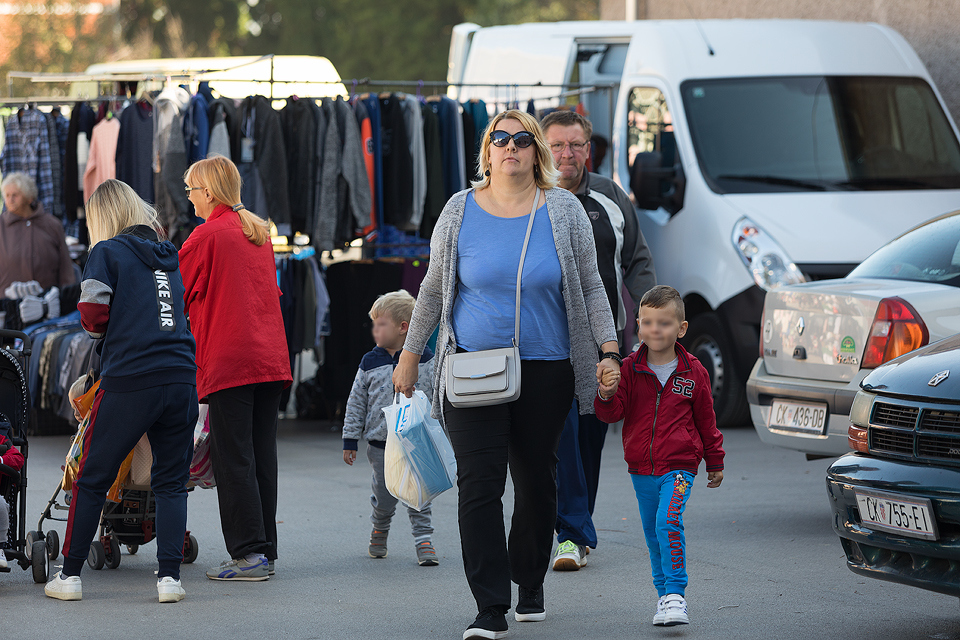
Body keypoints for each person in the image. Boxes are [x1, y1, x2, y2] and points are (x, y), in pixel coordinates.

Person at [393, 109, 621, 640]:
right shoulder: (458, 210)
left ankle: (530, 579)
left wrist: (608, 350)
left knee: (537, 483)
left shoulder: (563, 210)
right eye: (501, 138)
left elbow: (591, 286)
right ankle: (490, 606)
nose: (511, 147)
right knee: (479, 486)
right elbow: (432, 289)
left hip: (546, 369)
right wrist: (410, 353)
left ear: (535, 150)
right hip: (471, 368)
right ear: (487, 151)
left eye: (522, 139)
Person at [45, 179, 198, 603]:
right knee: (171, 483)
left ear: (103, 219)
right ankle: (170, 580)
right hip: (182, 375)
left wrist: (104, 330)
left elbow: (93, 316)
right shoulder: (170, 256)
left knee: (92, 478)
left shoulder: (105, 253)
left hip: (131, 377)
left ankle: (70, 576)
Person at [540, 110, 657, 572]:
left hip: (604, 347)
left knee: (589, 439)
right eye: (557, 145)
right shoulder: (528, 196)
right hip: (545, 343)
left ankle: (576, 528)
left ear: (589, 149)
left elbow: (638, 260)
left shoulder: (610, 198)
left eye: (575, 145)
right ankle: (569, 532)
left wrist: (651, 325)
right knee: (558, 437)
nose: (566, 154)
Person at [179, 155, 292, 582]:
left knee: (234, 458)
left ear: (208, 192)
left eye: (191, 188)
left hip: (230, 359)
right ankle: (264, 550)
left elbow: (177, 290)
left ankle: (248, 555)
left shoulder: (207, 236)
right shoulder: (256, 231)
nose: (188, 197)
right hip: (268, 357)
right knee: (262, 455)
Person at [595, 285, 725, 627]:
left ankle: (678, 595)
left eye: (664, 323)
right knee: (653, 533)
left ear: (681, 329)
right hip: (641, 467)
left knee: (668, 523)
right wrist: (607, 395)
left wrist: (714, 461)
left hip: (680, 466)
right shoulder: (628, 369)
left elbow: (707, 421)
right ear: (638, 325)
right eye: (649, 322)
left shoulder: (693, 371)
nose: (656, 330)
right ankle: (663, 597)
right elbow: (612, 414)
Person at [342, 290, 437, 565]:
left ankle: (424, 540)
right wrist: (350, 439)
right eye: (374, 324)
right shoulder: (369, 363)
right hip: (380, 445)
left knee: (419, 491)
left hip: (418, 440)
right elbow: (356, 402)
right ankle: (380, 529)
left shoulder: (426, 360)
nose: (375, 329)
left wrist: (439, 431)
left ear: (403, 327)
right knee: (384, 495)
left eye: (380, 323)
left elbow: (433, 398)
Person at [0, 172, 76, 294]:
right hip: (7, 305)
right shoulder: (1, 226)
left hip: (48, 304)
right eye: (7, 195)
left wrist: (67, 297)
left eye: (15, 195)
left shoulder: (52, 224)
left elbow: (65, 267)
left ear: (29, 197)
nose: (10, 199)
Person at [0, 431, 25, 570]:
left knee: (0, 504)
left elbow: (18, 458)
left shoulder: (2, 440)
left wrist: (1, 460)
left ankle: (0, 549)